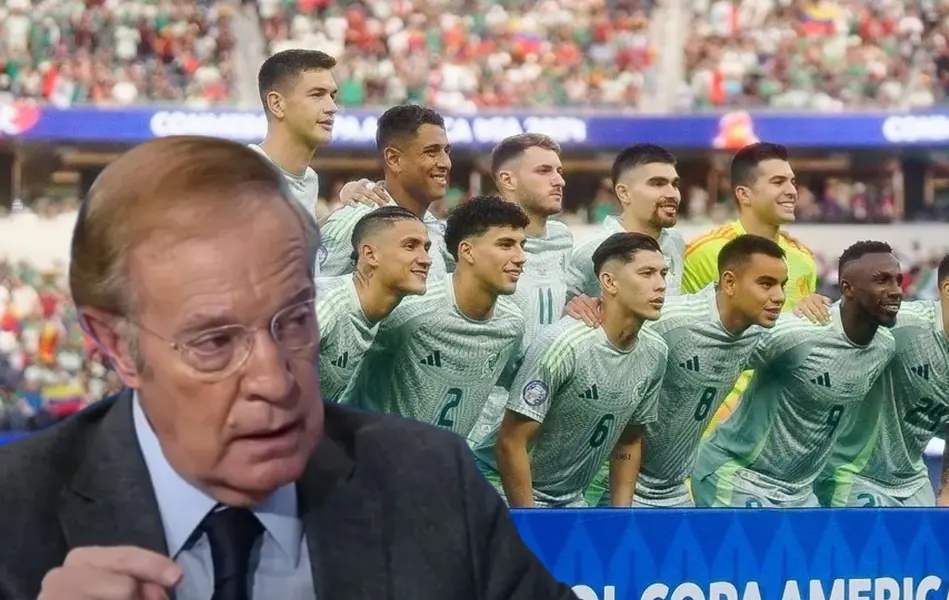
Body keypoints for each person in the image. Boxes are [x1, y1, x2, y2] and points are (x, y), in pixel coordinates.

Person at [0, 136, 574, 600]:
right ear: (116, 345)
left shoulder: (429, 482)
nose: (275, 380)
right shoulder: (17, 510)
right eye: (215, 342)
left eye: (294, 322)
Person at [692, 241, 902, 508]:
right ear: (847, 288)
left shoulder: (884, 347)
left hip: (800, 493)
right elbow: (720, 350)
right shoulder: (797, 334)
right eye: (882, 280)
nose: (896, 291)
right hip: (738, 477)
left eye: (898, 280)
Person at [801, 247, 949, 507]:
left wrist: (946, 491)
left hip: (911, 480)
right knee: (875, 547)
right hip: (850, 473)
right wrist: (808, 308)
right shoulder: (903, 324)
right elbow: (843, 321)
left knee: (926, 548)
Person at [476, 233, 669, 508]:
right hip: (504, 490)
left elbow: (628, 441)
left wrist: (622, 515)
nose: (660, 285)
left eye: (664, 274)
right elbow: (511, 443)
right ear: (609, 282)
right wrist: (531, 522)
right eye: (647, 273)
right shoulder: (564, 344)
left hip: (569, 499)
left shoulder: (656, 352)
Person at [339, 196, 526, 447]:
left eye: (522, 245)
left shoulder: (512, 325)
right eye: (506, 245)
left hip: (441, 475)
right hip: (370, 468)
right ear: (467, 251)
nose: (520, 257)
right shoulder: (410, 312)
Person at [631, 234, 789, 507]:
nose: (780, 296)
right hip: (617, 481)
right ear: (729, 282)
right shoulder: (670, 322)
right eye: (766, 284)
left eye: (782, 285)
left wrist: (816, 308)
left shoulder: (755, 335)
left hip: (673, 489)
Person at [679, 142, 819, 438]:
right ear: (744, 194)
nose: (792, 190)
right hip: (717, 419)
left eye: (793, 181)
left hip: (778, 421)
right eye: (778, 181)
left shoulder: (803, 259)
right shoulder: (706, 252)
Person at [470, 134, 575, 444]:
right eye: (544, 171)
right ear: (507, 179)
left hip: (541, 420)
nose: (559, 180)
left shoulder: (563, 238)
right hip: (483, 425)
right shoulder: (475, 241)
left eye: (559, 171)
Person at [320, 104, 453, 278]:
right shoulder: (355, 221)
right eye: (431, 152)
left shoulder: (437, 228)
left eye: (446, 151)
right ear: (394, 159)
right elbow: (306, 294)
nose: (446, 163)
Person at [315, 206, 431, 400]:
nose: (426, 260)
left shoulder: (374, 316)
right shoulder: (324, 303)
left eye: (426, 248)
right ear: (370, 255)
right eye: (410, 246)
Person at [564, 144, 686, 318]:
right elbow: (562, 307)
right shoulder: (591, 250)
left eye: (675, 184)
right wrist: (573, 307)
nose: (672, 194)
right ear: (624, 193)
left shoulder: (675, 240)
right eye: (658, 184)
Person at [248, 49, 337, 219]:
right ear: (277, 104)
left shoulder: (310, 179)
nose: (332, 107)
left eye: (332, 96)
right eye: (317, 95)